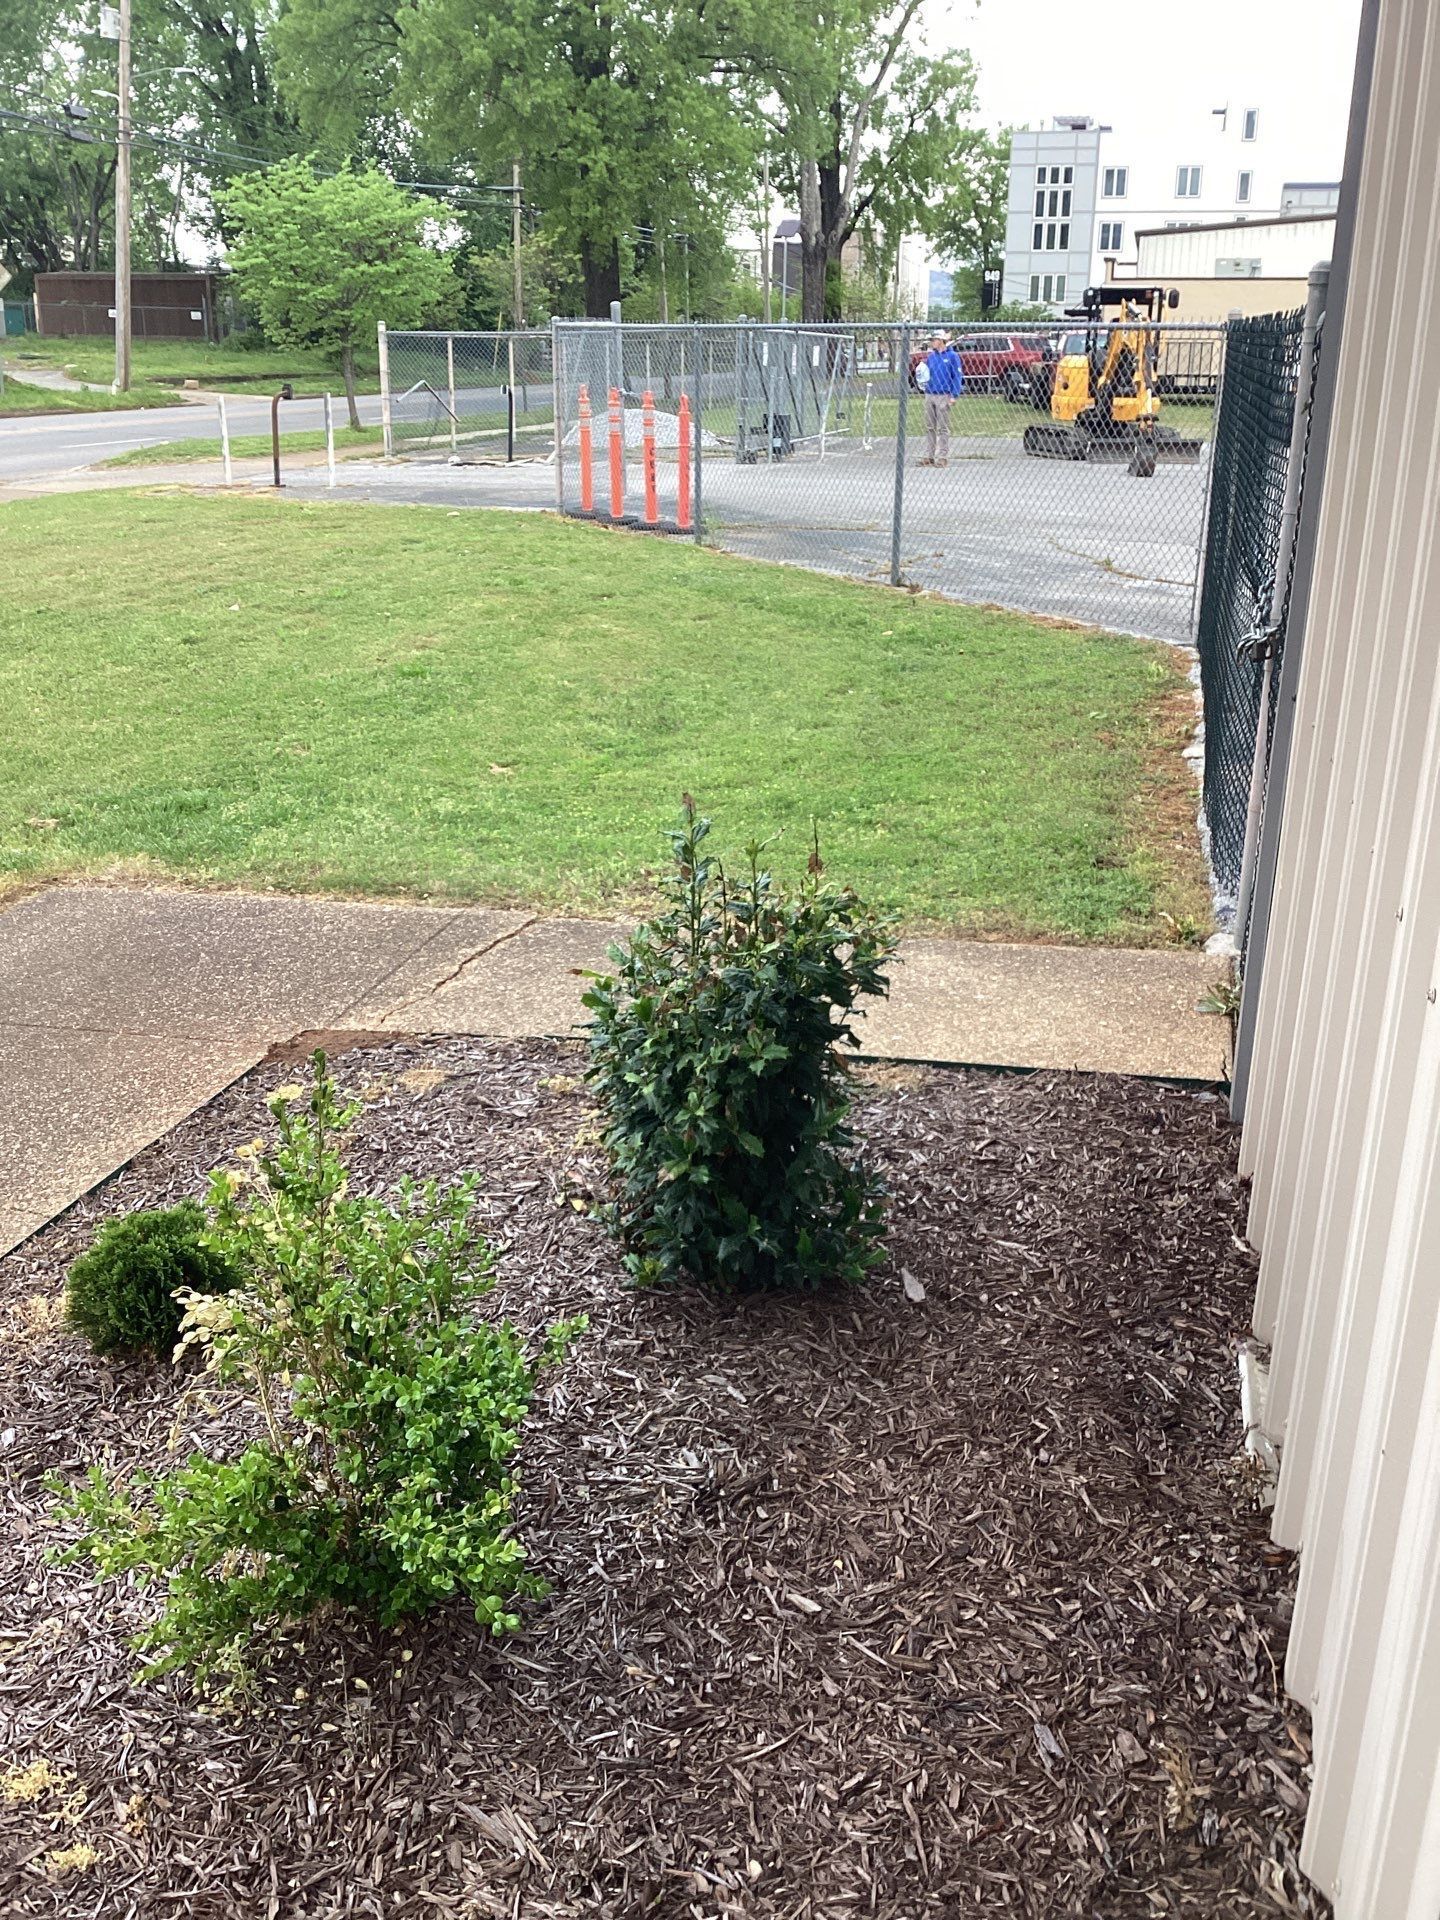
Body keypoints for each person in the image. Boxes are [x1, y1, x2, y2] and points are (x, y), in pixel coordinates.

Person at [918, 333, 963, 466]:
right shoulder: (931, 357)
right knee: (929, 426)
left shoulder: (952, 356)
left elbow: (957, 376)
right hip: (930, 393)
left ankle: (942, 456)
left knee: (943, 428)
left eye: (934, 340)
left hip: (944, 394)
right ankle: (929, 455)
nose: (932, 343)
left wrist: (954, 394)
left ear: (941, 341)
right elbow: (926, 373)